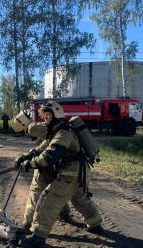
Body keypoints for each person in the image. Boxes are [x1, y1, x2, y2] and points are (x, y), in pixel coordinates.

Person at [18, 101, 104, 247]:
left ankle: (38, 236)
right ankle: (95, 225)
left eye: (48, 114)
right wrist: (25, 156)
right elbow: (42, 148)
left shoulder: (63, 133)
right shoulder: (57, 131)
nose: (45, 118)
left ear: (56, 115)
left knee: (48, 198)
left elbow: (51, 155)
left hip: (72, 174)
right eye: (44, 115)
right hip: (80, 173)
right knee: (80, 200)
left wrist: (32, 164)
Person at [12, 111, 71, 233]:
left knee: (35, 190)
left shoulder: (33, 128)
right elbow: (42, 146)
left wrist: (31, 161)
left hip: (43, 163)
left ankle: (27, 223)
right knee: (57, 192)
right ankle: (64, 214)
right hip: (54, 163)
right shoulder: (49, 126)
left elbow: (41, 148)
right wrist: (25, 156)